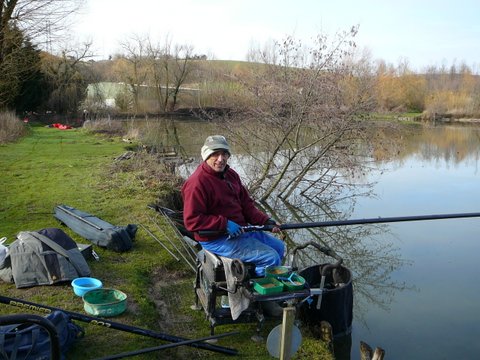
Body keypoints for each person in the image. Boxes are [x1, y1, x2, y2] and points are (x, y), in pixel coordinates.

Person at [181, 135, 285, 276]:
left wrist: (265, 221)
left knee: (279, 247)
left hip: (242, 230)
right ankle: (252, 291)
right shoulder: (196, 183)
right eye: (215, 154)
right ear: (206, 156)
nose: (220, 159)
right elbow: (192, 221)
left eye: (224, 154)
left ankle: (265, 279)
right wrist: (224, 224)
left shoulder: (231, 175)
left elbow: (246, 205)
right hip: (216, 238)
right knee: (270, 258)